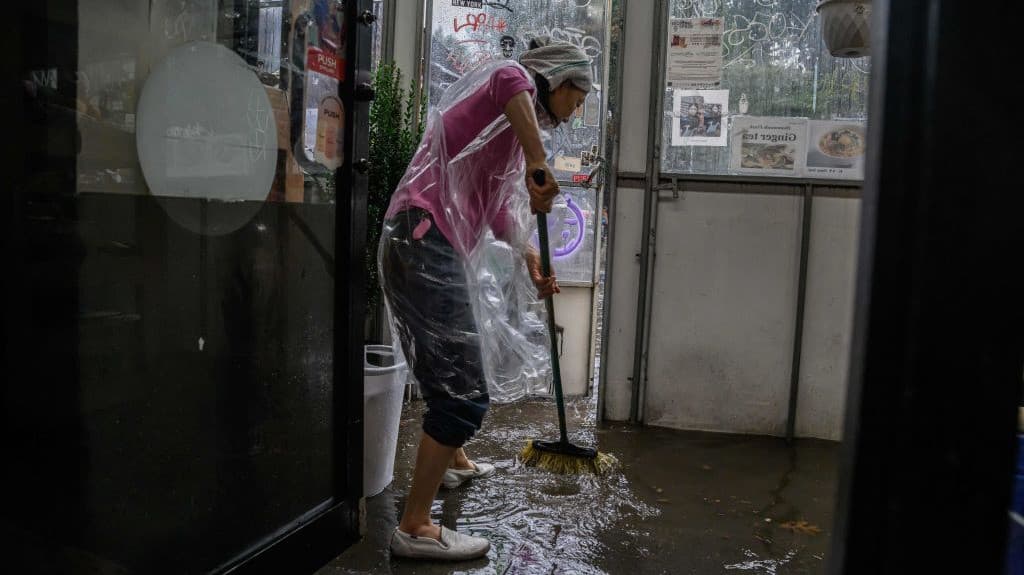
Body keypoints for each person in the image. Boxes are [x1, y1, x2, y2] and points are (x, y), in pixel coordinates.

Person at [379, 39, 593, 561]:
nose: (580, 108)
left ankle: (452, 459)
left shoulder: (508, 136)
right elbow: (508, 79)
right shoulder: (508, 81)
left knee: (444, 375)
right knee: (462, 391)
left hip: (420, 240)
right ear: (558, 82)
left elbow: (497, 211)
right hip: (424, 239)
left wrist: (532, 262)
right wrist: (539, 163)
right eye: (579, 95)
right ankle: (415, 525)